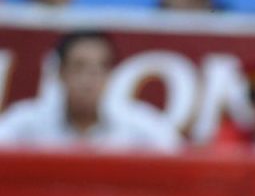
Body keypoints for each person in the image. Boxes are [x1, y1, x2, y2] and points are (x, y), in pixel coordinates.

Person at [0, 30, 183, 152]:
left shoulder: (143, 127)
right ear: (60, 73)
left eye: (99, 69)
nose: (88, 80)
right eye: (79, 67)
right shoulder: (25, 123)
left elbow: (178, 164)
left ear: (110, 75)